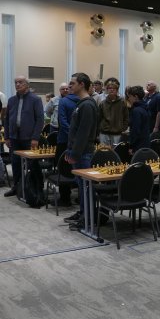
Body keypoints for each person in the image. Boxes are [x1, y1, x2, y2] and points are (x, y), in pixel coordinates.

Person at [64, 73, 99, 229]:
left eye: (72, 83)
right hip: (79, 151)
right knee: (81, 186)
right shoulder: (82, 103)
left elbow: (83, 133)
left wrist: (75, 153)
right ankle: (83, 212)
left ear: (82, 84)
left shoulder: (87, 105)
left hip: (83, 153)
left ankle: (88, 218)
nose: (69, 86)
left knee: (86, 187)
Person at [3, 76, 44, 197]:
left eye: (20, 82)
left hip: (29, 139)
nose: (17, 84)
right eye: (16, 82)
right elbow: (6, 119)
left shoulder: (35, 99)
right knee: (15, 164)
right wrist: (7, 137)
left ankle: (38, 188)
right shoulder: (11, 100)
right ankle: (17, 187)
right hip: (14, 138)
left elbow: (40, 119)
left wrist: (35, 138)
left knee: (33, 164)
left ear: (27, 84)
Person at [98, 81, 129, 146]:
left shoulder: (122, 102)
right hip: (104, 133)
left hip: (117, 133)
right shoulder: (103, 103)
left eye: (114, 88)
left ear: (117, 91)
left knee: (115, 150)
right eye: (109, 88)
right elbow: (99, 117)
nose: (111, 90)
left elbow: (126, 116)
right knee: (104, 150)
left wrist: (123, 128)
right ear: (107, 90)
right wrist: (100, 128)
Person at [126, 86, 150, 153]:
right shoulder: (145, 107)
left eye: (130, 96)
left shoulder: (136, 111)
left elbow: (136, 130)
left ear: (136, 97)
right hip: (145, 143)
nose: (129, 99)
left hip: (138, 145)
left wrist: (131, 145)